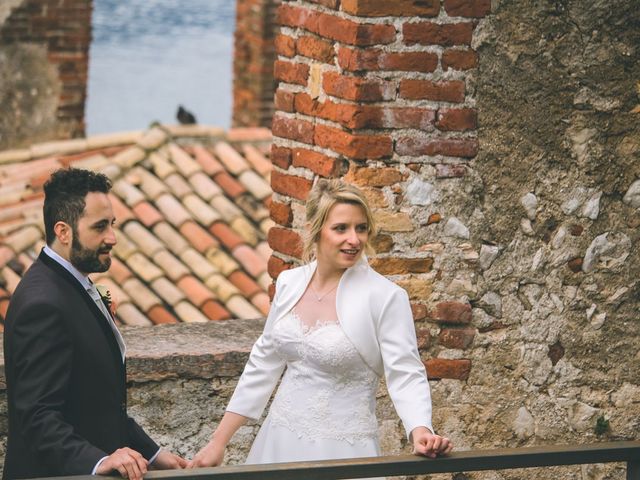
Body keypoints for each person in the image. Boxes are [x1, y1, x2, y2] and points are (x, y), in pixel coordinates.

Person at [189, 179, 452, 468]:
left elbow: (405, 371)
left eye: (361, 228)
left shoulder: (385, 297)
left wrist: (420, 428)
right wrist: (218, 442)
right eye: (341, 228)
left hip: (344, 450)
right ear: (315, 230)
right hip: (279, 442)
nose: (354, 240)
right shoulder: (290, 283)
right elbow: (263, 363)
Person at [3, 168, 187, 480]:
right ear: (63, 231)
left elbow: (98, 403)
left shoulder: (70, 282)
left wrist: (154, 455)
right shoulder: (43, 304)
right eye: (100, 227)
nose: (112, 238)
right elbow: (37, 417)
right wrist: (98, 462)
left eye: (112, 224)